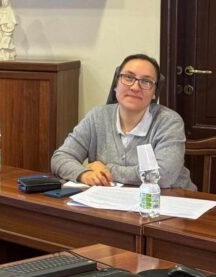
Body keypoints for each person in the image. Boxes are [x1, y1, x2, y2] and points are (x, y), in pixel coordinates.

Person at [51, 54, 196, 189]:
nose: (135, 87)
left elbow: (164, 175)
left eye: (146, 81)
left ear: (154, 93)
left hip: (169, 200)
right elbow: (60, 157)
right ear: (116, 85)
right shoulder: (97, 117)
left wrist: (107, 170)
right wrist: (84, 174)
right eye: (128, 77)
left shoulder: (169, 122)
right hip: (112, 201)